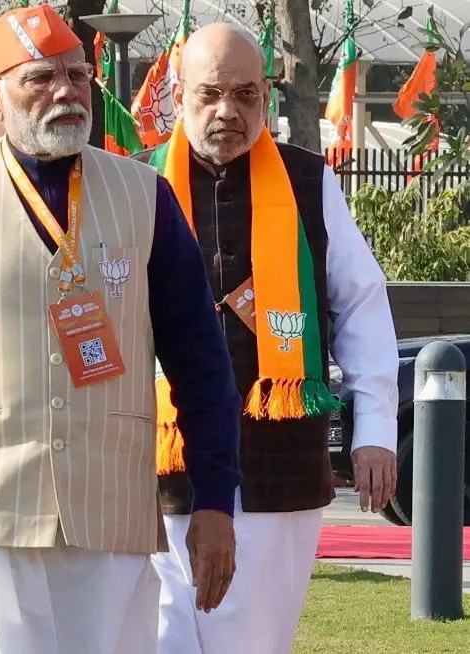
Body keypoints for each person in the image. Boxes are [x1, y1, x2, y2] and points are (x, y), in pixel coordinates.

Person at [0, 5, 243, 654]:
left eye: (77, 76)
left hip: (106, 512)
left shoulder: (144, 197)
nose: (65, 91)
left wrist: (215, 503)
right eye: (39, 78)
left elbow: (201, 367)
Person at [131, 24, 399, 654]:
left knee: (251, 641)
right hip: (158, 461)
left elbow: (360, 306)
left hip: (277, 463)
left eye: (247, 94)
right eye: (211, 94)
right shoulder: (135, 185)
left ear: (268, 98)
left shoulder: (310, 181)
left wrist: (376, 433)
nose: (229, 111)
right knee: (161, 637)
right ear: (176, 94)